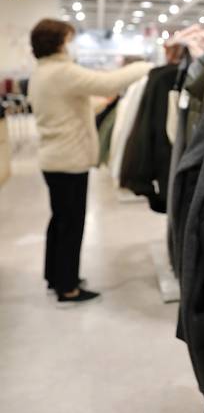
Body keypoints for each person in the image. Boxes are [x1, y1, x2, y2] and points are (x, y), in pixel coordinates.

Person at [27, 19, 151, 307]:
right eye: (67, 39)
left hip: (54, 158)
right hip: (69, 160)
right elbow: (108, 82)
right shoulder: (62, 71)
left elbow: (69, 104)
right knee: (71, 224)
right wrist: (146, 66)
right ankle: (68, 288)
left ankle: (55, 277)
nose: (70, 45)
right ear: (58, 42)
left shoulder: (42, 73)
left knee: (60, 221)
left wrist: (103, 103)